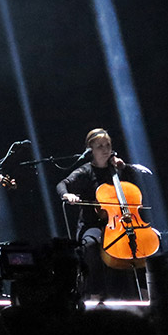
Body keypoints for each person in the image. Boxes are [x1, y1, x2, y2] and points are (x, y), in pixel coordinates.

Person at [56, 128, 144, 300]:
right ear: (91, 151)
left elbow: (139, 180)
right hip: (92, 223)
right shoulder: (85, 171)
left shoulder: (118, 169)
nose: (105, 149)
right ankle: (94, 293)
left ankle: (136, 294)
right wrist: (67, 195)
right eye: (99, 146)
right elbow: (62, 184)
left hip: (119, 224)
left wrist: (124, 168)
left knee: (137, 245)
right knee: (90, 246)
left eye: (108, 145)